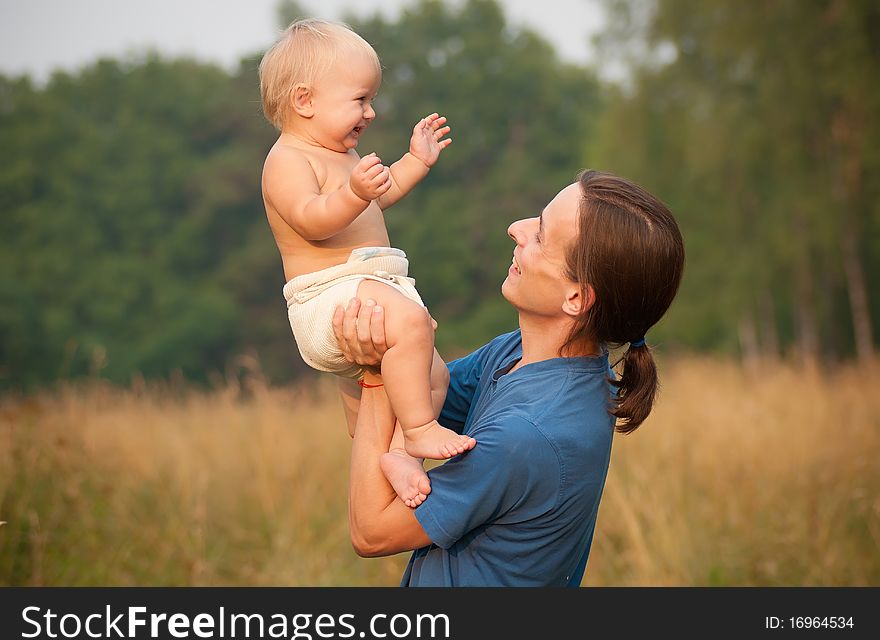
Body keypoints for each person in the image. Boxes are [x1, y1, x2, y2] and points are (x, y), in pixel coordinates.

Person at [334, 169, 686, 586]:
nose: (515, 229)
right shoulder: (515, 352)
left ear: (576, 297)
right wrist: (375, 348)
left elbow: (371, 532)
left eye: (540, 234)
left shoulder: (530, 434)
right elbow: (375, 426)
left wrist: (376, 374)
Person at [259, 19, 474, 508]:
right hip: (327, 296)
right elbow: (313, 220)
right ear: (304, 101)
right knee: (413, 325)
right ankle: (418, 429)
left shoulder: (343, 153)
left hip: (369, 288)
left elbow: (380, 197)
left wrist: (415, 161)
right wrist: (352, 192)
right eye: (360, 100)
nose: (371, 113)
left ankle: (400, 453)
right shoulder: (288, 161)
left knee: (436, 375)